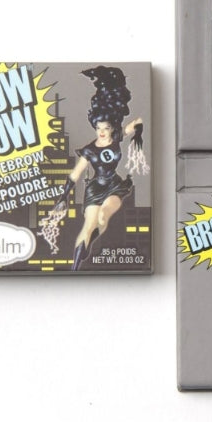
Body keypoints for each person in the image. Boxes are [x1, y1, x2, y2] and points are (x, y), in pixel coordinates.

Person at [55, 66, 147, 270]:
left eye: (106, 128)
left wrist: (139, 131)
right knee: (88, 227)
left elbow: (138, 122)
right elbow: (75, 175)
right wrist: (63, 198)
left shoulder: (117, 137)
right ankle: (74, 269)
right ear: (94, 127)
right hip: (95, 189)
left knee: (103, 216)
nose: (102, 132)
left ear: (112, 127)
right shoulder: (90, 150)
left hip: (114, 185)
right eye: (99, 128)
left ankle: (89, 242)